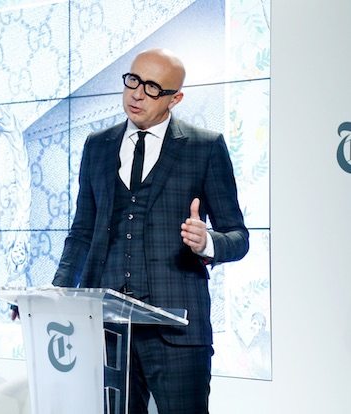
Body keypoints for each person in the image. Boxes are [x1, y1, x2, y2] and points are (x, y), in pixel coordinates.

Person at [51, 48, 249, 413]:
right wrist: (55, 296)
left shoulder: (205, 147)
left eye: (153, 88)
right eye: (133, 81)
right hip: (107, 329)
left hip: (177, 333)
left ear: (176, 98)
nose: (138, 94)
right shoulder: (97, 146)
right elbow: (82, 232)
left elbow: (238, 236)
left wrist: (207, 243)